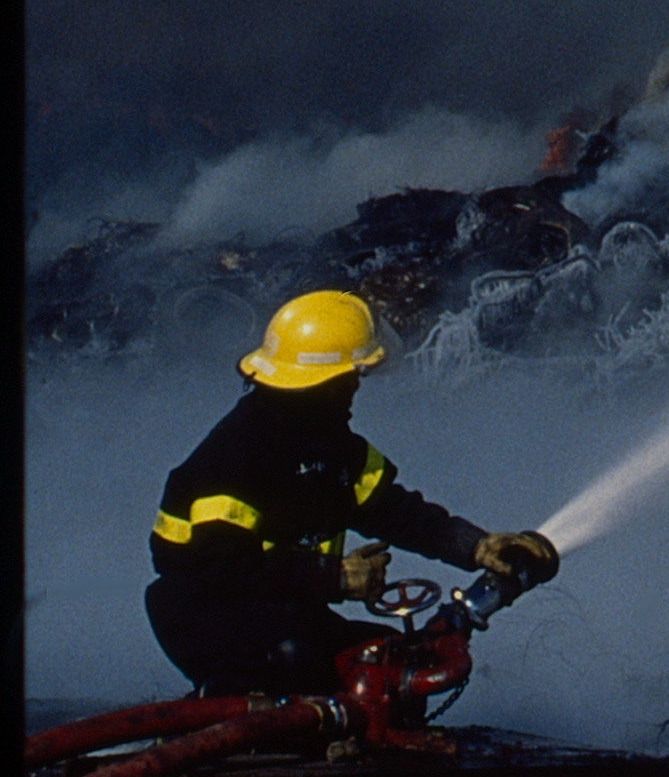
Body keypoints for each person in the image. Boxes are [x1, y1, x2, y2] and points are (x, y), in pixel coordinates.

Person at [146, 288, 560, 695]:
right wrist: (335, 577)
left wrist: (476, 546)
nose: (356, 390)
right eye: (351, 379)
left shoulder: (330, 446)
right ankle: (229, 719)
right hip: (203, 612)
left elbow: (395, 512)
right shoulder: (234, 457)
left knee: (390, 659)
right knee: (294, 660)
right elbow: (222, 569)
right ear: (323, 383)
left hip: (283, 608)